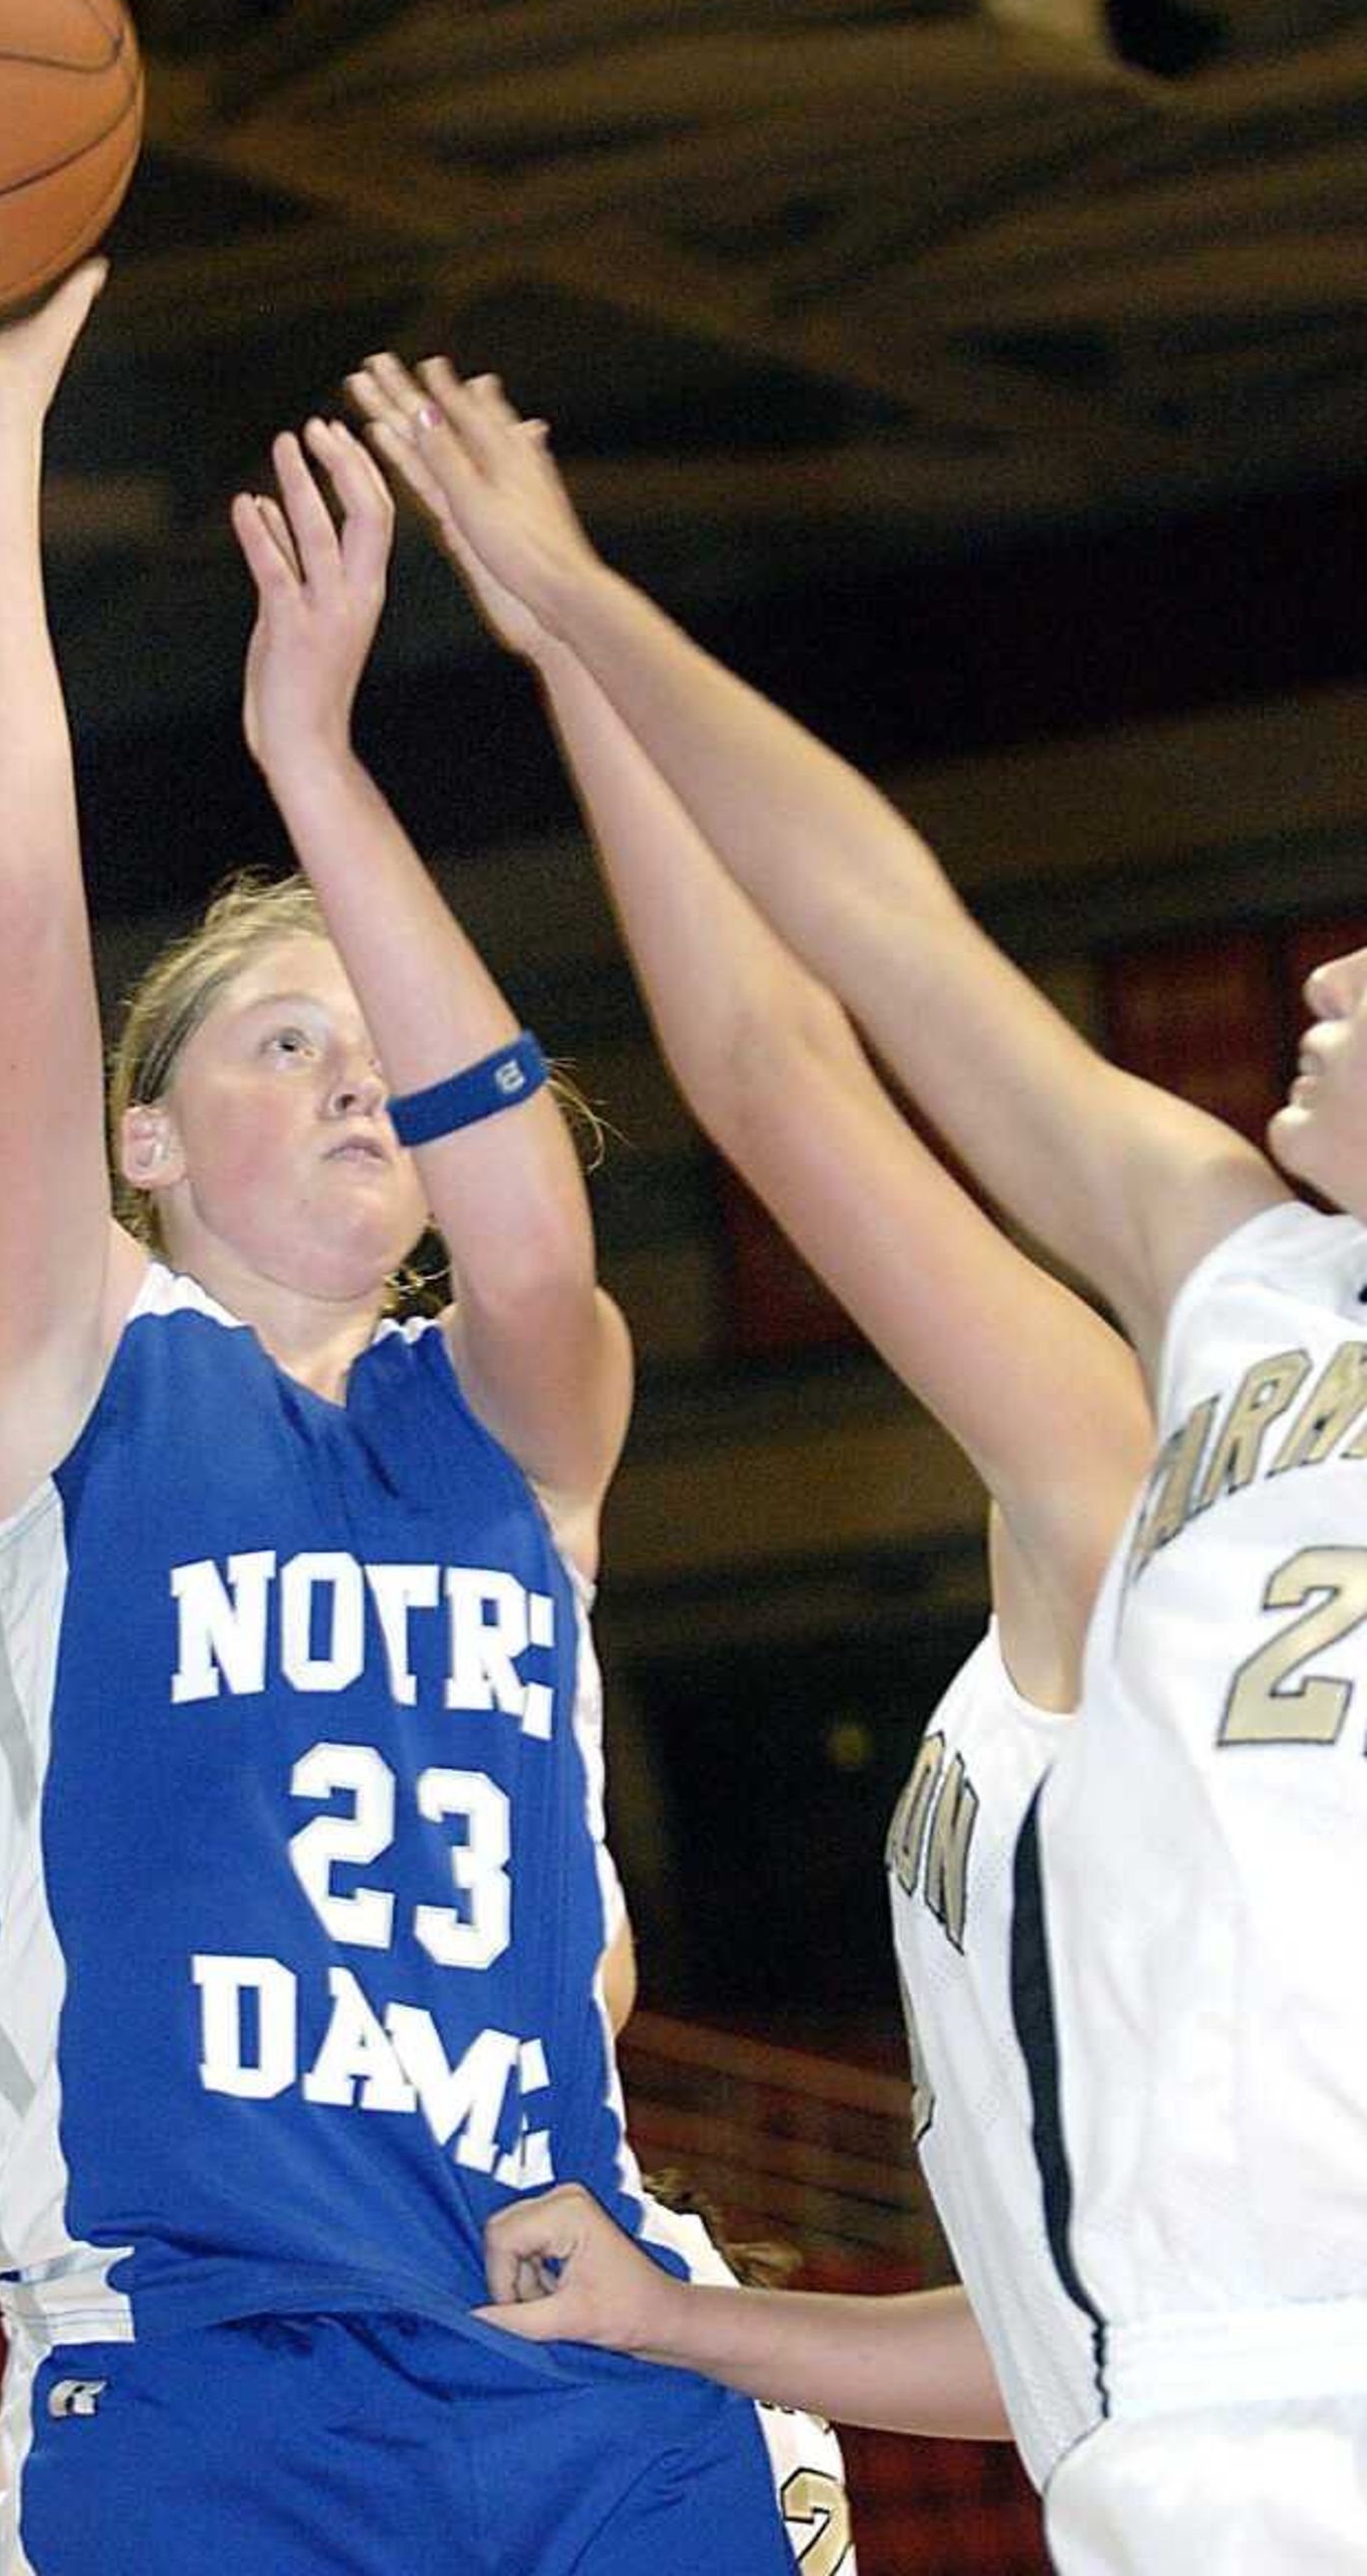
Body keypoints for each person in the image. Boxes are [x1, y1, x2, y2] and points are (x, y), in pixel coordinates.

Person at [0, 213, 797, 2576]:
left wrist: (318, 761)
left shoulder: (522, 1413)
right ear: (144, 1143)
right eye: (281, 1038)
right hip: (210, 2380)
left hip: (581, 2358)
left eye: (381, 1041)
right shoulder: (74, 1372)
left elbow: (529, 1219)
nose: (359, 1080)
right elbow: (1, 921)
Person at [362, 355, 1367, 2572]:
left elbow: (796, 1075)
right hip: (1162, 2436)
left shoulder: (1106, 1459)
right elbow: (829, 1002)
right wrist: (576, 623)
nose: (1332, 966)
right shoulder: (1240, 1299)